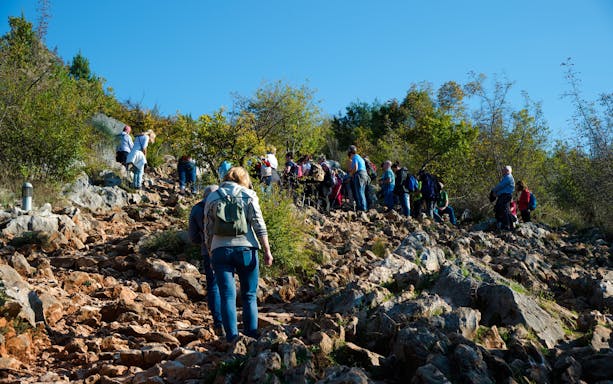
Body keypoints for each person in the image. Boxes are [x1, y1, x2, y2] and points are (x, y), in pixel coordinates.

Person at [203, 166, 273, 342]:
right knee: (249, 295)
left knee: (227, 295)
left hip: (220, 250)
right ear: (244, 179)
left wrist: (211, 252)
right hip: (246, 248)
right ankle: (251, 336)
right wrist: (267, 250)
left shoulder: (212, 197)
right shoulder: (249, 195)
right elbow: (259, 224)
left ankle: (232, 339)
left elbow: (208, 229)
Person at [188, 185, 223, 336]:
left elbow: (193, 237)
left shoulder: (197, 209)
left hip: (208, 251)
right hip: (229, 248)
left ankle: (219, 322)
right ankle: (233, 322)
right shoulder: (224, 204)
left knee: (213, 286)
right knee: (228, 285)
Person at [491, 165, 515, 230]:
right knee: (502, 209)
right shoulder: (506, 178)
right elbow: (503, 189)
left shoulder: (508, 177)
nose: (502, 171)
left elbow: (500, 186)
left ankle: (507, 225)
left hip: (505, 196)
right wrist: (497, 194)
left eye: (503, 170)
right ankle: (509, 225)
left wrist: (494, 191)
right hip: (504, 195)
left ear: (507, 171)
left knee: (504, 210)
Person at [347, 145, 368, 211]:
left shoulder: (354, 157)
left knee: (359, 192)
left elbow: (355, 168)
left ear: (350, 152)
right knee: (362, 192)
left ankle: (362, 209)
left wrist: (350, 174)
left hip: (359, 175)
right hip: (365, 175)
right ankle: (364, 208)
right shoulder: (360, 157)